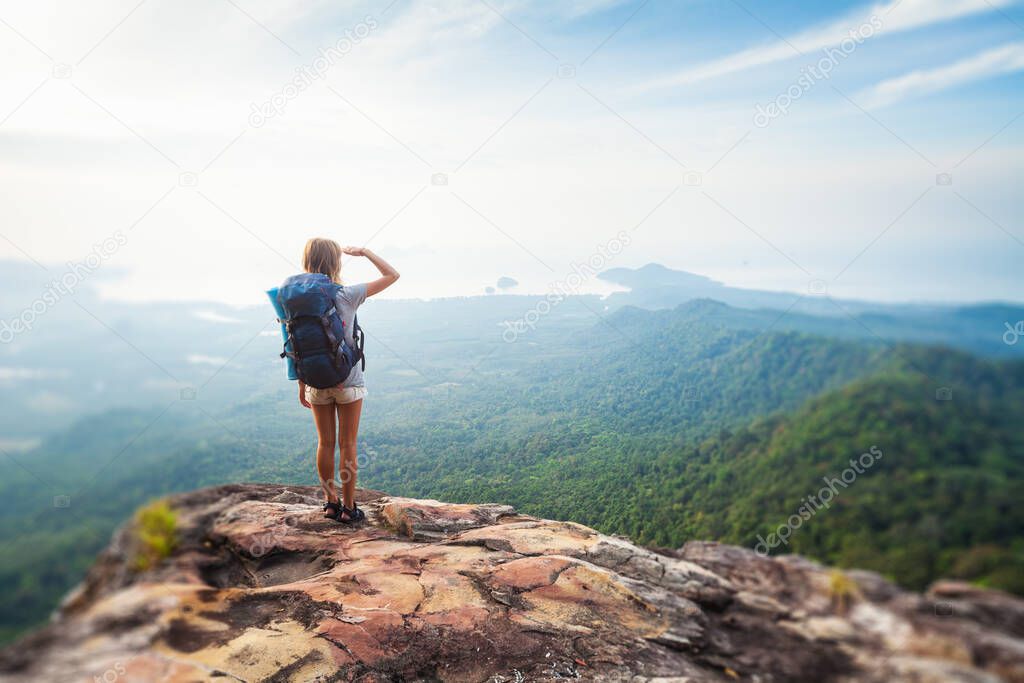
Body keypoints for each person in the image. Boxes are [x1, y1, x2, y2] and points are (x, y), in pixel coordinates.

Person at [297, 238, 399, 522]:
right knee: (349, 444)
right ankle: (350, 508)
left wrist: (301, 383)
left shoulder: (293, 299)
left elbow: (292, 344)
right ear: (336, 262)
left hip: (315, 381)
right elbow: (392, 275)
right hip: (349, 381)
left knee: (325, 443)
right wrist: (364, 252)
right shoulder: (346, 294)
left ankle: (331, 503)